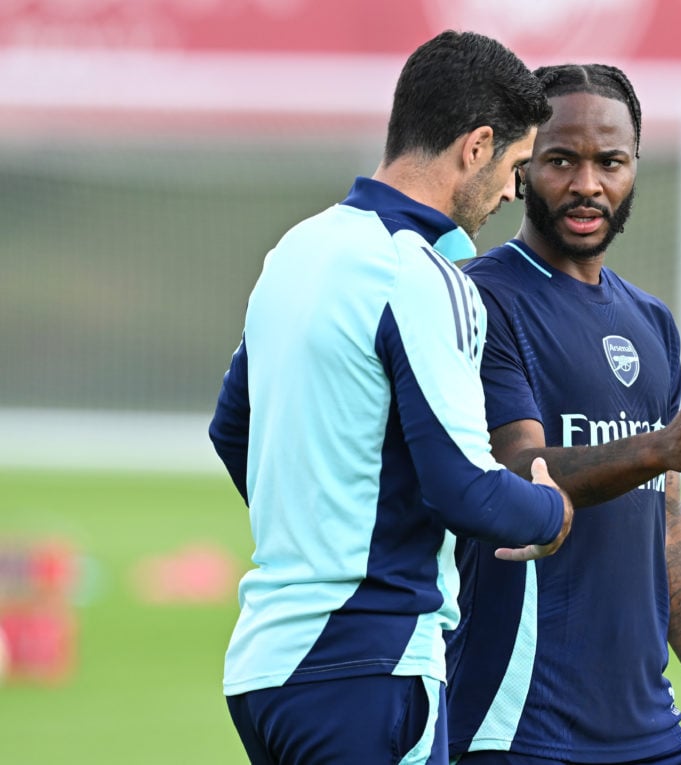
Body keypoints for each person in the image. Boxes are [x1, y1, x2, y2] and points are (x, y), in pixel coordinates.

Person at [207, 31, 575, 765]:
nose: (512, 192)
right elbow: (465, 489)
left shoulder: (296, 249)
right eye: (514, 165)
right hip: (367, 666)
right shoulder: (420, 274)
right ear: (475, 147)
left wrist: (321, 526)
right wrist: (551, 509)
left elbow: (231, 430)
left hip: (265, 667)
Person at [445, 64, 681, 765]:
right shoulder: (481, 301)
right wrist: (658, 447)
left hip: (650, 729)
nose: (588, 183)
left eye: (610, 161)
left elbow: (668, 522)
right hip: (521, 728)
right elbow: (519, 471)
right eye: (561, 159)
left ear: (634, 169)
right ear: (522, 166)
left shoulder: (651, 321)